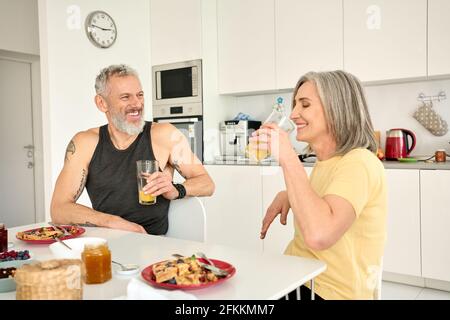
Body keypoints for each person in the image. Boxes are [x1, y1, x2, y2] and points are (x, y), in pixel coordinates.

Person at [250, 70, 387, 300]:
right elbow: (324, 204)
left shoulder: (360, 163)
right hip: (299, 276)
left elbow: (319, 235)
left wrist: (288, 157)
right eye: (295, 105)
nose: (293, 115)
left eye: (304, 105)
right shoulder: (326, 162)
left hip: (329, 292)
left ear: (337, 109)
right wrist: (289, 194)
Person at [51, 64, 215, 234]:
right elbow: (59, 209)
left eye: (140, 95)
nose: (137, 104)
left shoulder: (165, 134)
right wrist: (111, 222)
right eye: (125, 97)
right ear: (102, 103)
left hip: (152, 244)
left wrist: (177, 190)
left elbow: (207, 183)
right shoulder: (84, 143)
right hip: (105, 242)